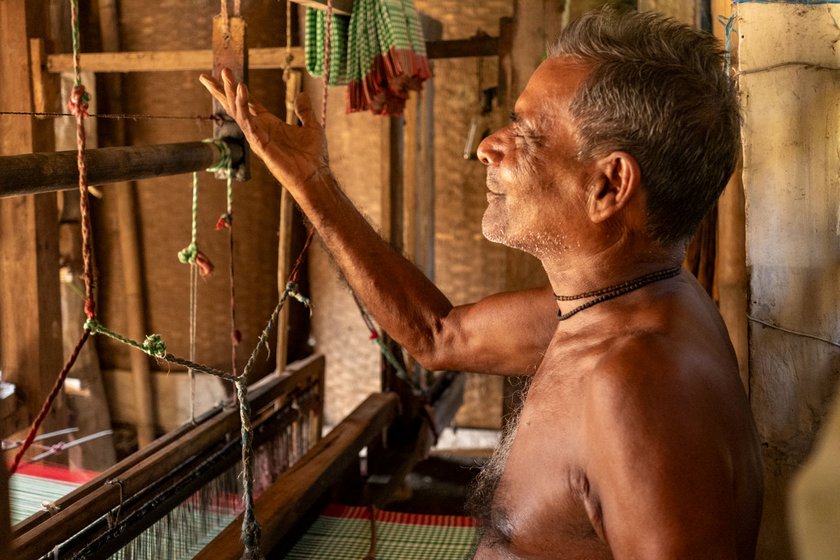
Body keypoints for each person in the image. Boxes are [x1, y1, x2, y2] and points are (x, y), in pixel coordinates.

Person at [201, 7, 763, 559]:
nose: (488, 145)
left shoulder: (639, 384)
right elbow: (439, 335)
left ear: (608, 185)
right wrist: (312, 179)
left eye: (528, 132)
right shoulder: (624, 305)